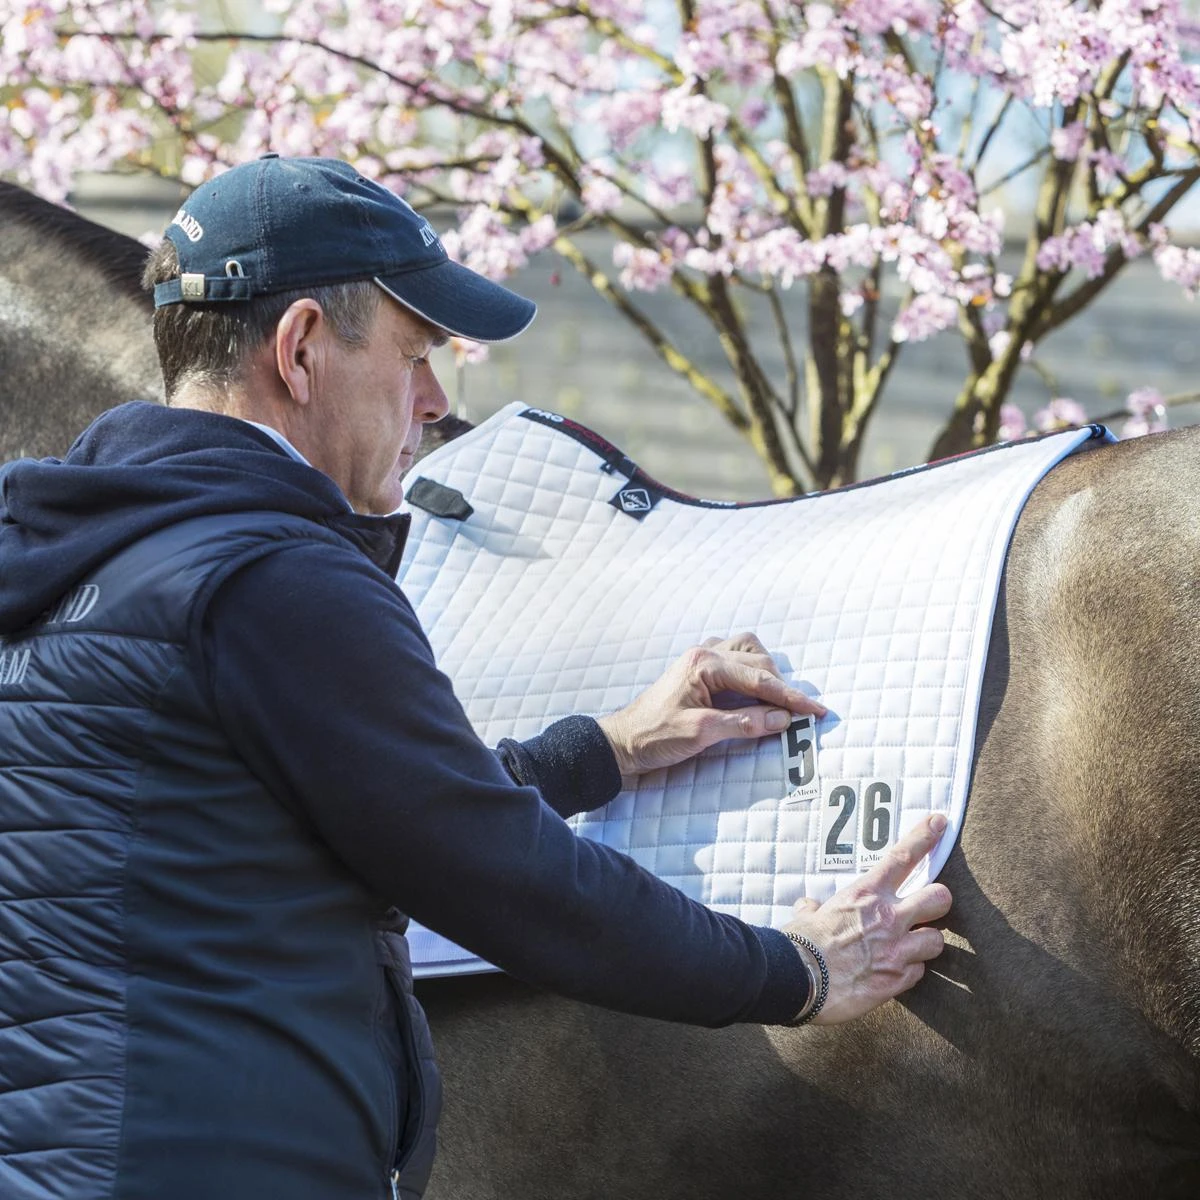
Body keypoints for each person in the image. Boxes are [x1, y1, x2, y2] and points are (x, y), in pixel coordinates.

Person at [0, 155, 952, 1200]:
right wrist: (800, 968)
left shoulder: (82, 559)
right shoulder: (271, 578)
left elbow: (331, 812)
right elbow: (502, 874)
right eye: (412, 357)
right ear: (302, 346)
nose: (435, 400)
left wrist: (606, 752)